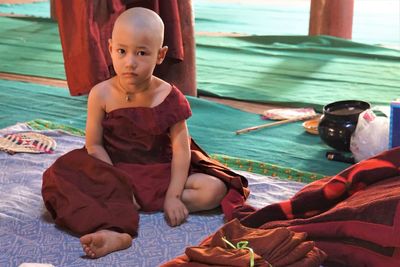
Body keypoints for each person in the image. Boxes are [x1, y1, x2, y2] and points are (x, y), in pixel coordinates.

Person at [42, 7, 249, 259]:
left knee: (213, 189)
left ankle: (126, 206)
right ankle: (118, 233)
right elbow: (94, 146)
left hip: (159, 169)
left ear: (160, 55)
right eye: (122, 51)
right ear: (110, 49)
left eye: (141, 53)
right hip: (111, 169)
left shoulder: (170, 96)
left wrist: (173, 196)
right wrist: (118, 184)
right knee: (59, 181)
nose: (130, 62)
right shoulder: (101, 94)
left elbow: (181, 150)